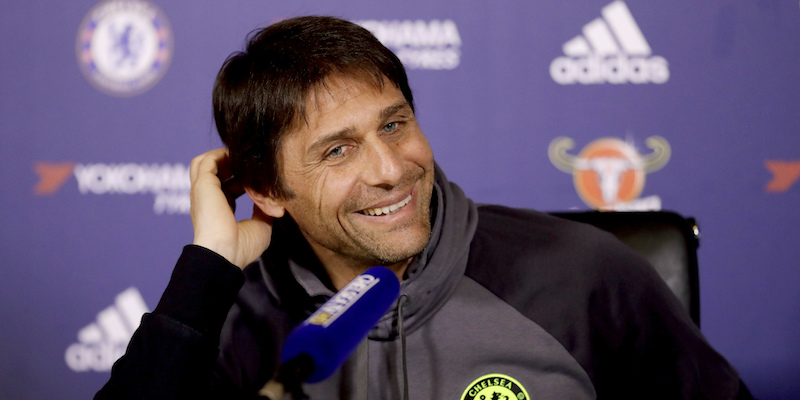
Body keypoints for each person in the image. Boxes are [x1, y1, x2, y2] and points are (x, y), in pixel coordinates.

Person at [95, 16, 752, 400]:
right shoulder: (234, 320)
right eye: (337, 152)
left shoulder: (584, 275)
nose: (392, 169)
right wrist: (207, 270)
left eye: (394, 124)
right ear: (265, 192)